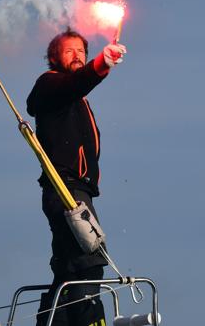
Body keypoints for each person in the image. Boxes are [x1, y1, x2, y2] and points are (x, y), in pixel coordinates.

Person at [27, 27, 126, 326]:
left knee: (69, 267)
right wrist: (101, 64)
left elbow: (79, 86)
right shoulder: (50, 86)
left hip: (77, 190)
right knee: (90, 259)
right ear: (54, 58)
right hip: (66, 189)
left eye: (82, 52)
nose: (77, 56)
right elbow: (73, 85)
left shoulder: (76, 98)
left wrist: (97, 68)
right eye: (69, 51)